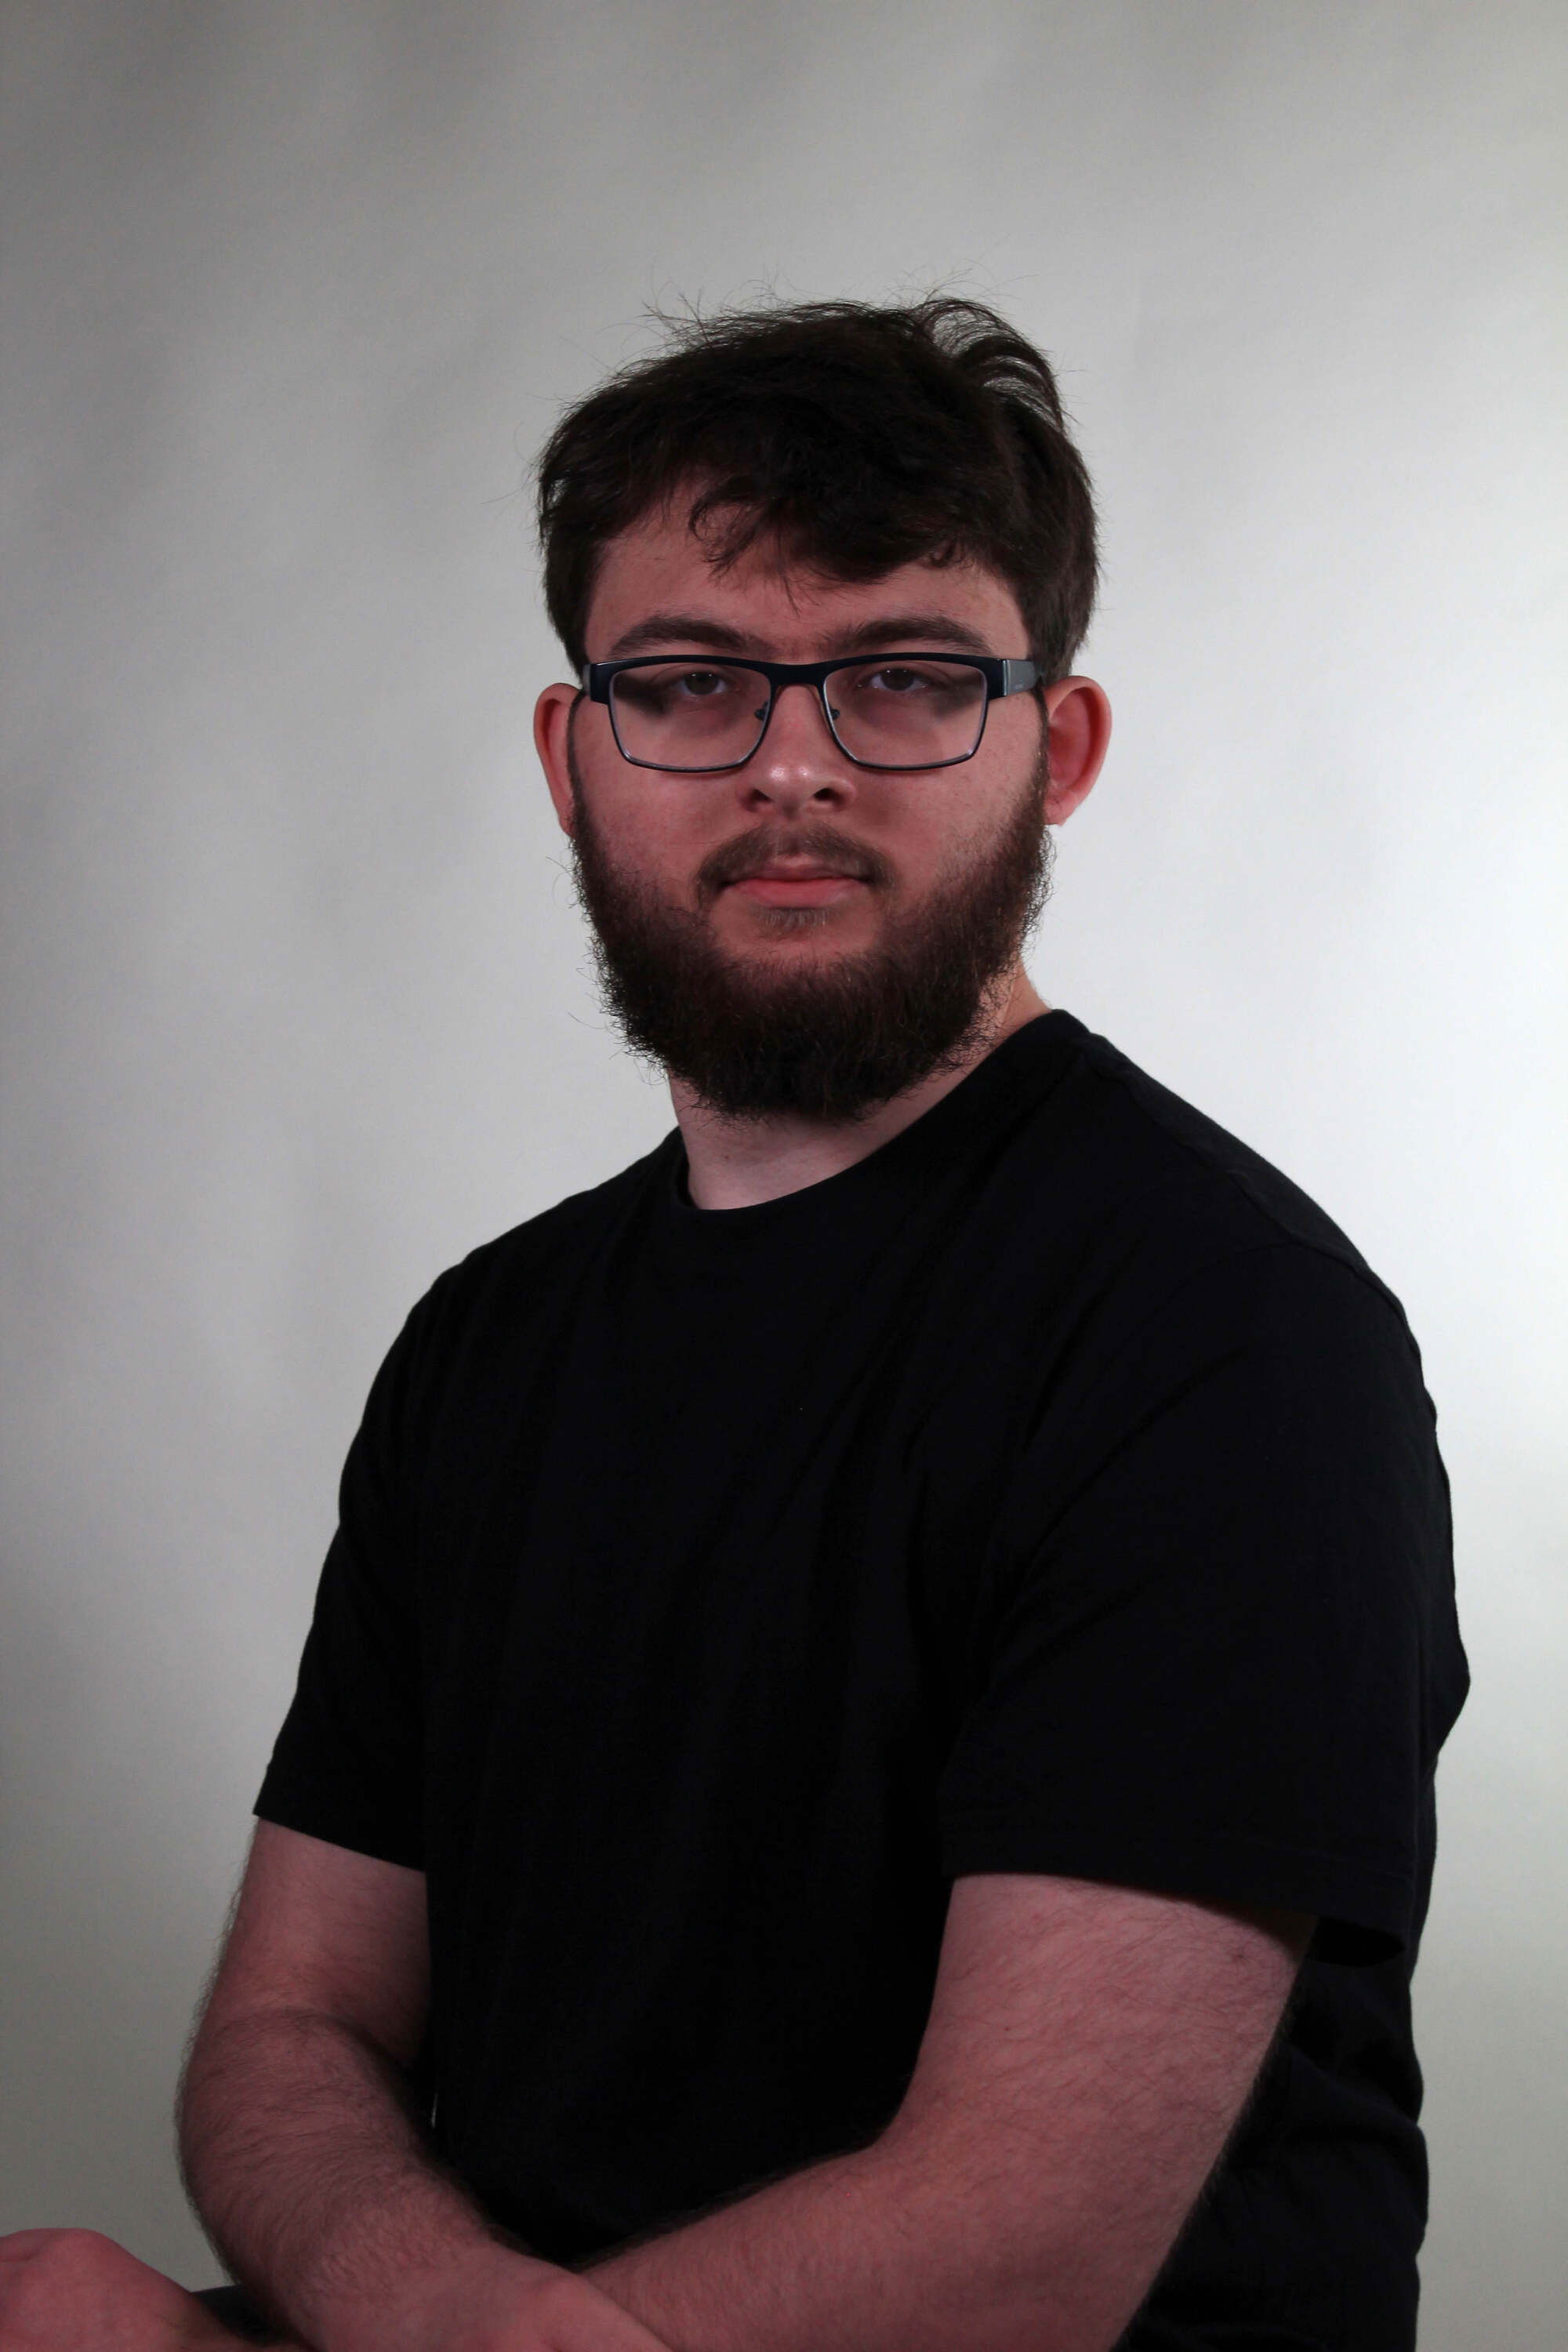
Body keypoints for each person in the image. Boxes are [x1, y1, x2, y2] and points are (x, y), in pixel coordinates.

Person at [0, 297, 1468, 2352]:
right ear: (569, 757)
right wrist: (440, 2313)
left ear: (1058, 750)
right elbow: (294, 2032)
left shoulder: (1225, 1336)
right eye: (689, 686)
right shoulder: (487, 1346)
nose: (792, 762)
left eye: (904, 680)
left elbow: (1018, 2248)